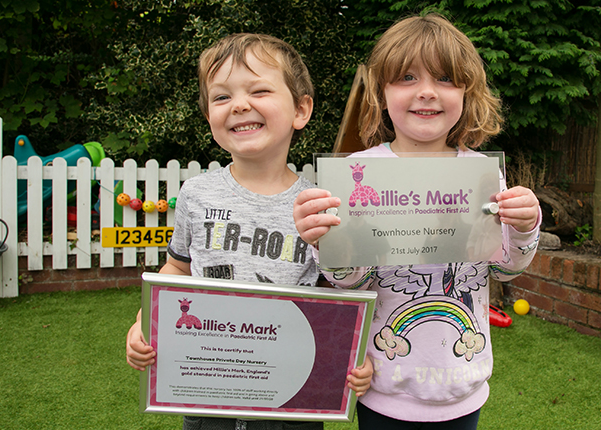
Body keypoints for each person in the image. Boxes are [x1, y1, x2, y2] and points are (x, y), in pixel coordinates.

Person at [294, 14, 541, 429]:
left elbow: (503, 266)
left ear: (466, 91)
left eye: (445, 78)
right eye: (406, 77)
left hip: (463, 381)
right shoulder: (358, 173)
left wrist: (524, 225)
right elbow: (351, 281)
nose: (426, 92)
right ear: (382, 92)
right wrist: (328, 246)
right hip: (385, 384)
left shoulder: (482, 173)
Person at [125, 33, 372, 430]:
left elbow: (337, 297)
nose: (239, 104)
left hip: (293, 400)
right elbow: (176, 270)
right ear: (209, 117)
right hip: (208, 399)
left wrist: (351, 353)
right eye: (221, 97)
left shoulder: (321, 205)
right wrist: (143, 320)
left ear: (301, 109)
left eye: (259, 90)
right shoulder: (196, 193)